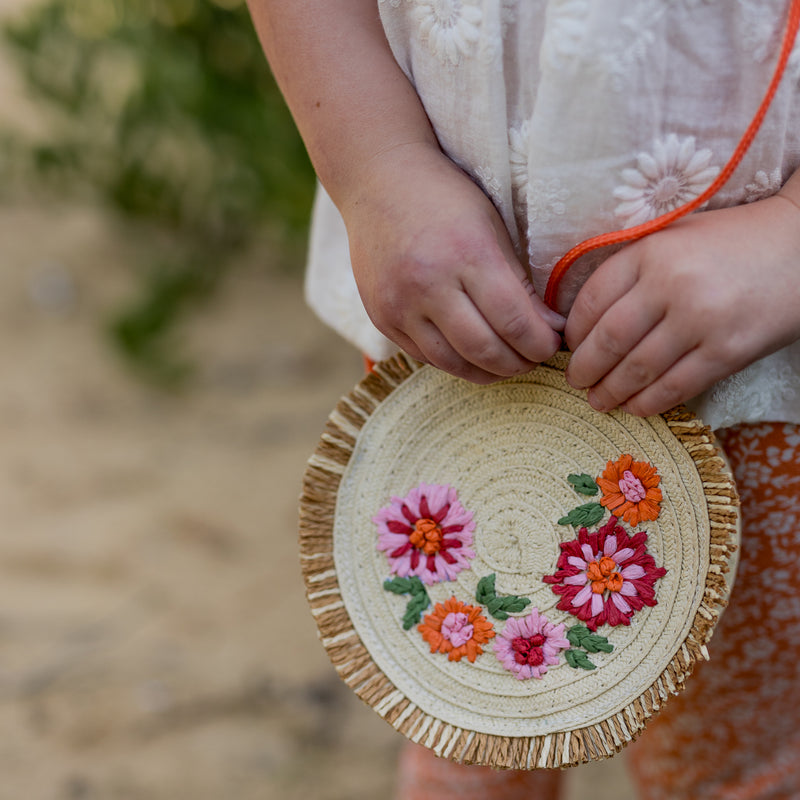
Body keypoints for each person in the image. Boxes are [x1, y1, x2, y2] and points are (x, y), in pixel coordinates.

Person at [247, 2, 800, 798]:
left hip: (759, 361)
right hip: (446, 312)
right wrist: (376, 167)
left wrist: (789, 235)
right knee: (466, 702)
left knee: (750, 755)